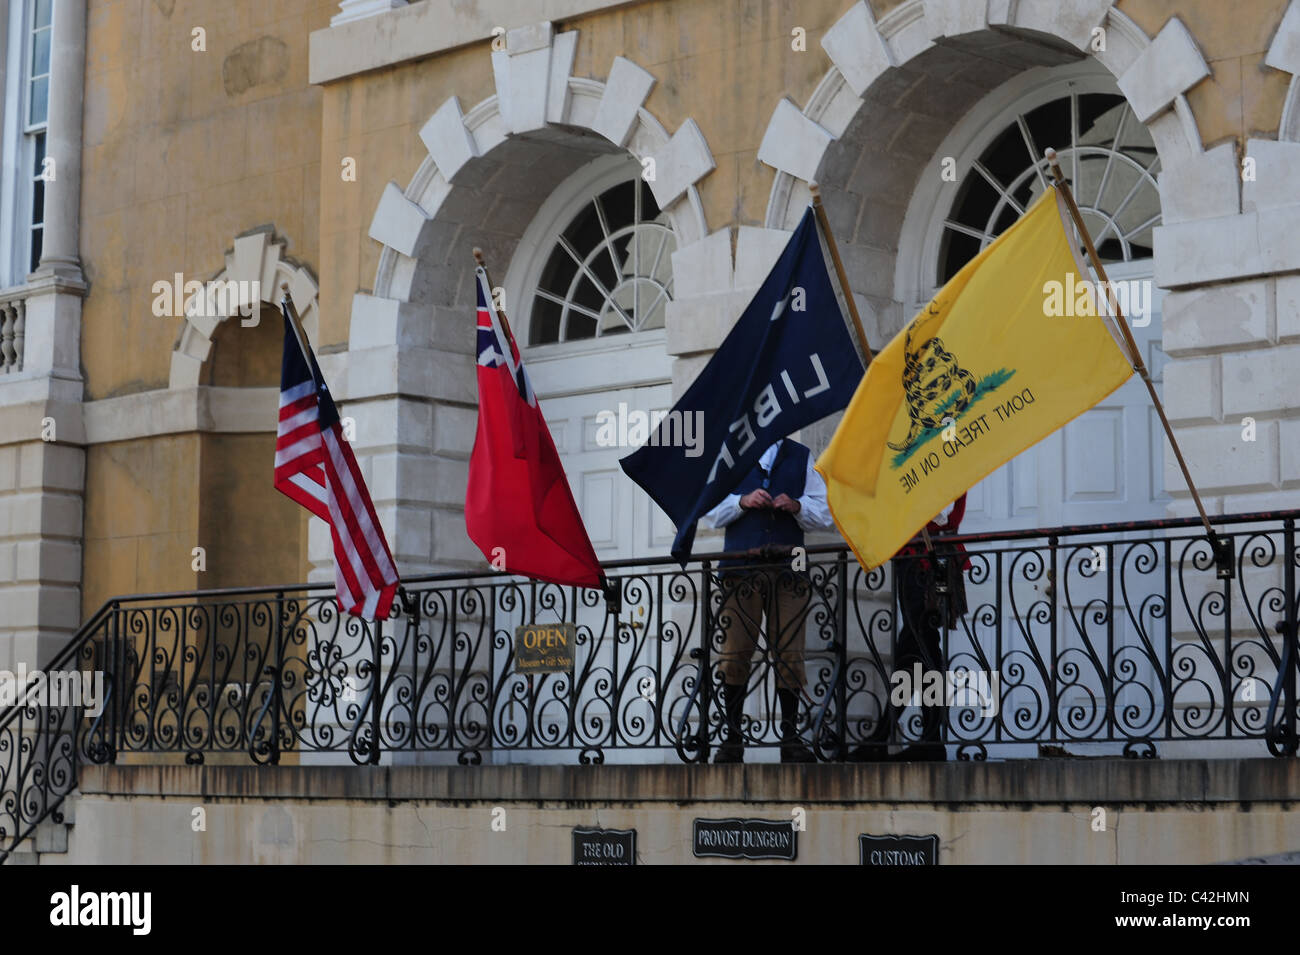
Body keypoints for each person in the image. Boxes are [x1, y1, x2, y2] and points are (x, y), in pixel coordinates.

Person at [704, 437, 835, 764]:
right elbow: (707, 510)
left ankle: (790, 738)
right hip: (740, 569)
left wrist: (798, 506)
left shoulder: (800, 456)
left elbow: (826, 512)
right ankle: (733, 739)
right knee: (735, 652)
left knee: (791, 652)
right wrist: (742, 502)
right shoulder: (731, 452)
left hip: (793, 567)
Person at [851, 493, 969, 763]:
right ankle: (925, 740)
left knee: (917, 647)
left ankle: (890, 737)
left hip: (933, 560)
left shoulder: (942, 464)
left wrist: (915, 505)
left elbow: (945, 511)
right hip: (912, 561)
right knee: (920, 649)